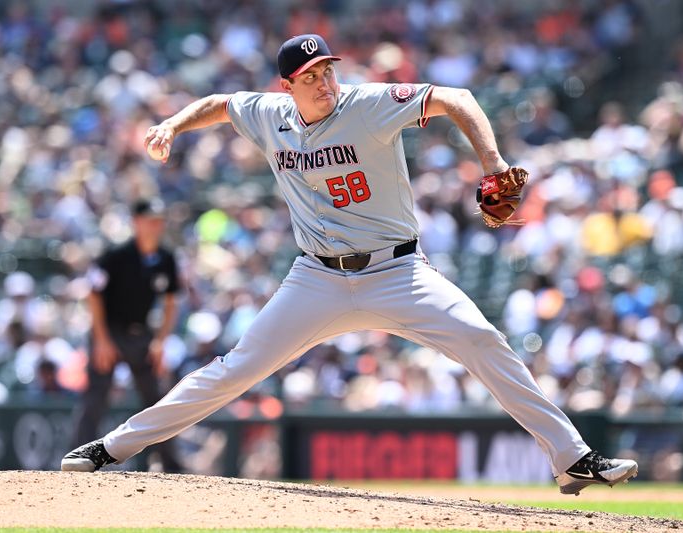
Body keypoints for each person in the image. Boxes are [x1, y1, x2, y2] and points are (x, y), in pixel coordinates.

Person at [62, 34, 638, 495]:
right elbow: (220, 105)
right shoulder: (268, 114)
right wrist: (172, 124)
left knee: (484, 341)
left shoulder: (366, 105)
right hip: (317, 276)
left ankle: (572, 459)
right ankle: (112, 447)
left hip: (398, 273)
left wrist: (492, 161)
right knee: (235, 368)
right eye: (310, 77)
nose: (324, 81)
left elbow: (457, 98)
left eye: (328, 70)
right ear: (288, 86)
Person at [69, 198, 182, 472]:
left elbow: (171, 302)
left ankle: (170, 464)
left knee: (157, 400)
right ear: (136, 222)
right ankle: (77, 458)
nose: (156, 226)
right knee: (96, 397)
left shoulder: (166, 258)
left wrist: (160, 341)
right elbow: (93, 294)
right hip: (111, 331)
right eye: (150, 220)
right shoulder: (116, 255)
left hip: (142, 334)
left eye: (159, 220)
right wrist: (102, 340)